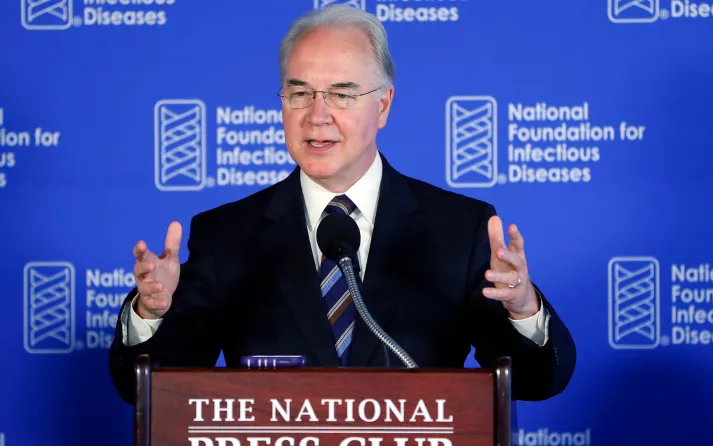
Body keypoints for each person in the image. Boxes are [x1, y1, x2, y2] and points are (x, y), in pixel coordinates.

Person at [108, 4, 576, 405]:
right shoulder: (226, 235)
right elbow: (149, 390)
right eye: (300, 93)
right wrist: (151, 314)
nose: (318, 114)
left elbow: (537, 380)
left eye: (342, 93)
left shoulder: (459, 228)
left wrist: (522, 310)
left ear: (384, 105)